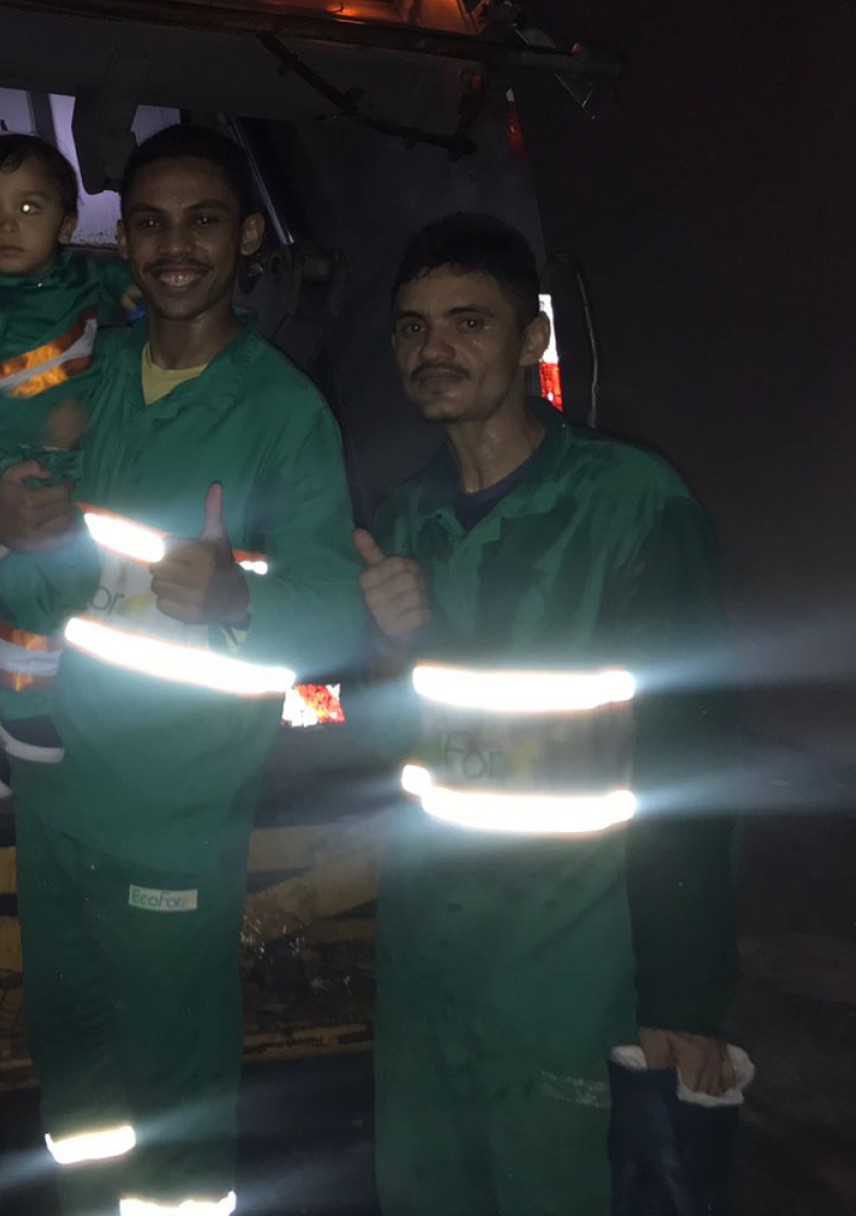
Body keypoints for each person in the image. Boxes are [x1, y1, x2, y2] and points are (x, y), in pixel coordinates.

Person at [0, 124, 366, 1215]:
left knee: (175, 1079)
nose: (175, 247)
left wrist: (241, 600)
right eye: (150, 223)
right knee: (75, 1059)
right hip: (54, 794)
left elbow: (337, 616)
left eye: (203, 222)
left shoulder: (283, 415)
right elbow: (2, 529)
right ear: (123, 242)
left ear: (248, 239)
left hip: (177, 813)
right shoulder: (85, 380)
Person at [354, 213, 742, 1215]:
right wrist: (386, 650)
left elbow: (695, 751)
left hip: (575, 968)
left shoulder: (630, 504)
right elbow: (387, 739)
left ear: (531, 339)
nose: (434, 349)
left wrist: (683, 999)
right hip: (429, 961)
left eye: (468, 322)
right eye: (412, 328)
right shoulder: (401, 522)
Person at [0, 132, 136, 797]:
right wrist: (36, 423)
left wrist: (142, 293)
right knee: (55, 580)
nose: (6, 226)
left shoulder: (84, 280)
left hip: (70, 465)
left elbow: (136, 287)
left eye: (29, 208)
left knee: (47, 582)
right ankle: (15, 701)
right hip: (9, 465)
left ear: (67, 224)